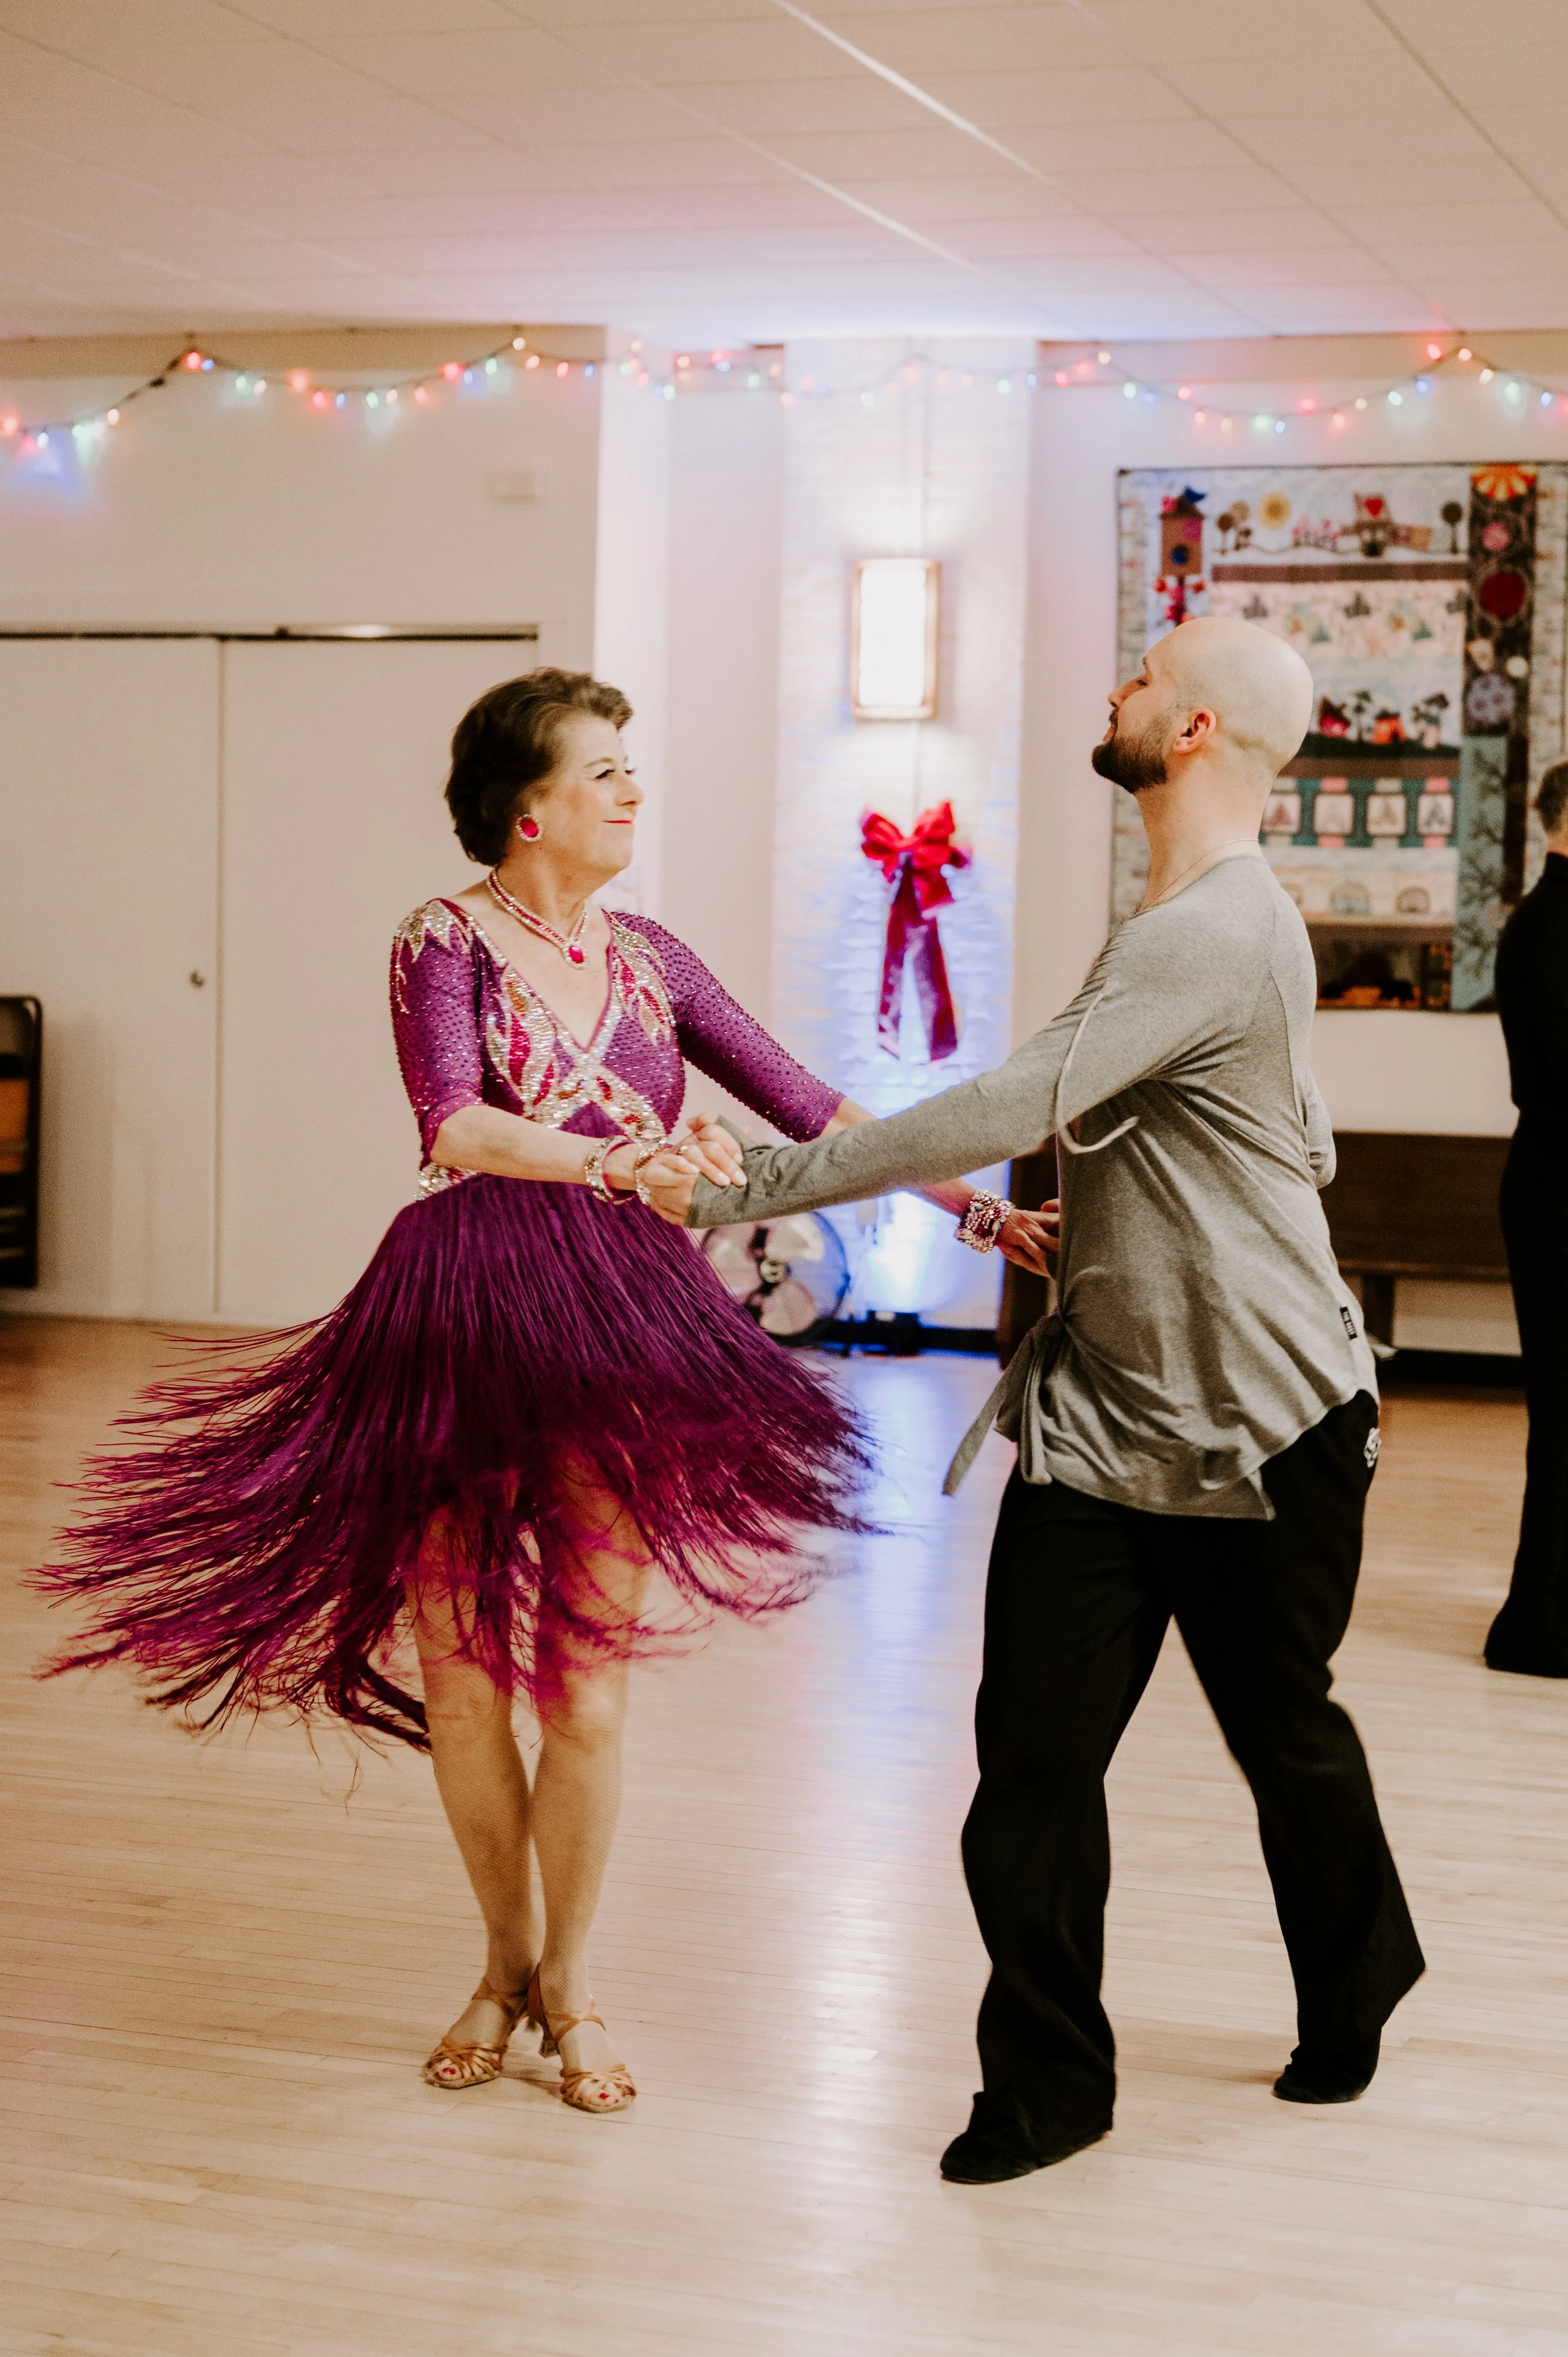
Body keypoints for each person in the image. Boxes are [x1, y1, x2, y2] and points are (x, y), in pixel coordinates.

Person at [40, 666, 1049, 2115]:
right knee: (465, 1686)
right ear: (527, 809)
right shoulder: (439, 939)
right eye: (604, 770)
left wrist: (972, 1208)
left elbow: (811, 1106)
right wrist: (620, 1160)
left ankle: (566, 1982)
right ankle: (502, 1965)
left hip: (625, 1320)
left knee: (582, 1690)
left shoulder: (651, 952)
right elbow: (450, 1123)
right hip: (462, 1311)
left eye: (630, 767)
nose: (631, 788)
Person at [646, 617, 1426, 2183]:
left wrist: (751, 1185)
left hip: (1264, 1424)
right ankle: (1047, 2086)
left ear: (1193, 730)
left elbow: (1016, 1101)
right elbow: (1294, 1127)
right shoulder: (1190, 920)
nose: (1114, 692)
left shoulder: (1204, 928)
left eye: (1140, 680)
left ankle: (1357, 1975)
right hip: (1098, 1423)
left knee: (1284, 1740)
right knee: (1030, 1779)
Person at [1485, 762, 1568, 1677]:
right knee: (1564, 1413)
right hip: (1555, 1195)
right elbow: (1552, 1080)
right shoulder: (1545, 926)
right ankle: (1535, 1627)